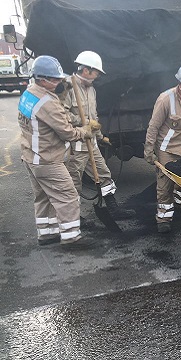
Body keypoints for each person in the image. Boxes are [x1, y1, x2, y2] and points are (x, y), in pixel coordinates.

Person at [18, 56, 95, 248]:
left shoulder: (28, 94)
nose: (60, 81)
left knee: (43, 196)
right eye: (56, 79)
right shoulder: (48, 103)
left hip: (30, 155)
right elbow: (67, 132)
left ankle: (47, 234)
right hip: (47, 159)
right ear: (43, 79)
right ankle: (71, 237)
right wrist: (84, 132)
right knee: (67, 196)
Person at [61, 51, 132, 219]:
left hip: (91, 143)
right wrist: (81, 120)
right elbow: (59, 115)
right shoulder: (67, 86)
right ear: (86, 70)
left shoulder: (91, 90)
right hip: (75, 145)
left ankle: (113, 209)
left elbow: (94, 118)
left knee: (104, 174)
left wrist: (100, 136)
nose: (97, 76)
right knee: (73, 182)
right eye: (96, 73)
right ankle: (73, 218)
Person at [144, 64, 181, 234]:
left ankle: (179, 202)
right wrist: (149, 150)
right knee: (165, 184)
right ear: (180, 83)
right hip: (167, 149)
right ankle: (164, 218)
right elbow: (153, 127)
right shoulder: (165, 99)